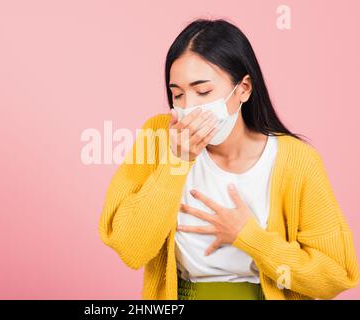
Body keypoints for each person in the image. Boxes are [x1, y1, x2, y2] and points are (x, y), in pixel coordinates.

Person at [99, 18, 359, 300]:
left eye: (203, 92)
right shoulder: (159, 137)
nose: (189, 107)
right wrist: (176, 164)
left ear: (244, 89)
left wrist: (248, 236)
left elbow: (335, 274)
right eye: (178, 94)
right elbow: (130, 248)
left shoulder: (297, 160)